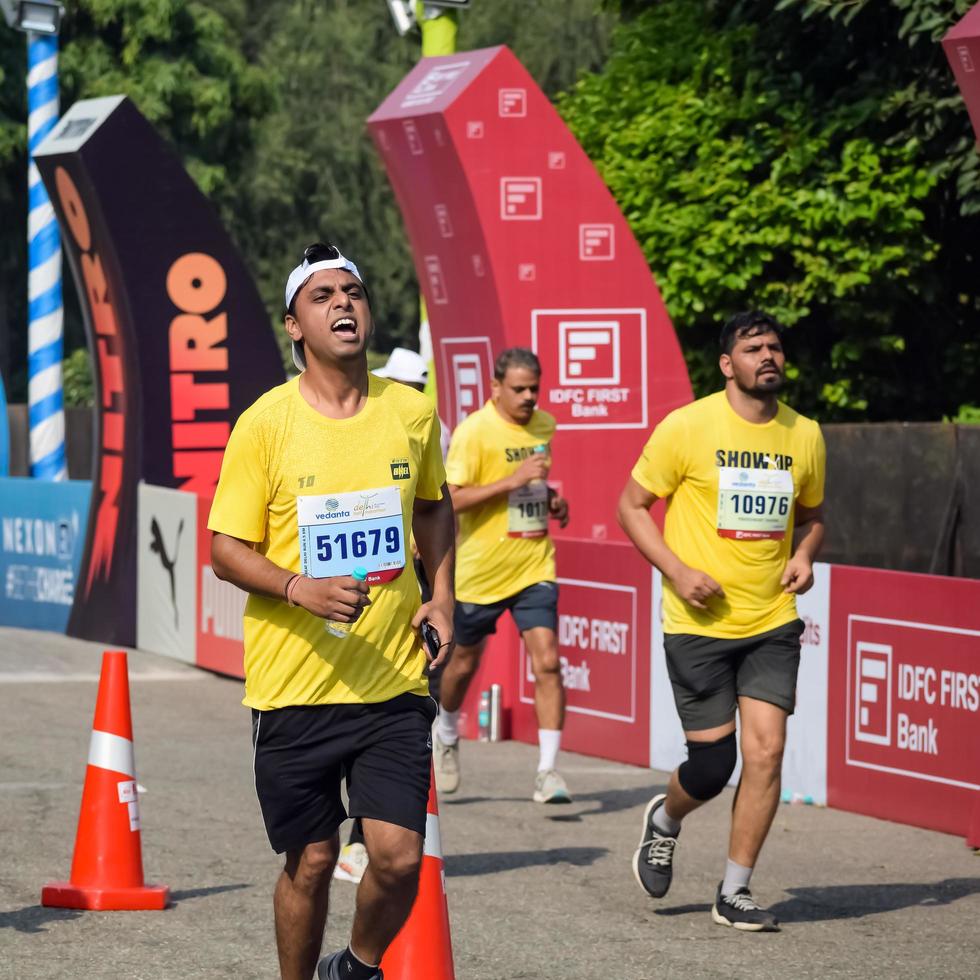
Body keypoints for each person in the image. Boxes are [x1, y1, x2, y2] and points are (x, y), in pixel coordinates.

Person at [208, 242, 455, 980]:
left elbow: (436, 510)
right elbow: (226, 548)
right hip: (295, 686)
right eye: (323, 297)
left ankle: (355, 966)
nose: (344, 304)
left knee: (399, 855)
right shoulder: (266, 424)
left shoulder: (411, 412)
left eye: (353, 292)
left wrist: (441, 593)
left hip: (392, 681)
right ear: (294, 325)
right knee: (311, 861)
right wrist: (298, 588)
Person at [617, 311, 825, 932]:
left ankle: (734, 891)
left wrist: (805, 554)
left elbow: (813, 515)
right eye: (753, 347)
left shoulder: (806, 434)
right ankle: (666, 818)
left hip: (771, 620)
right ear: (726, 364)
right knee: (712, 767)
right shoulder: (688, 426)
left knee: (767, 751)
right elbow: (631, 507)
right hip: (698, 622)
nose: (768, 355)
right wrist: (677, 572)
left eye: (776, 347)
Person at [434, 347, 571, 803]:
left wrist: (550, 501)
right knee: (463, 665)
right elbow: (450, 501)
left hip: (535, 563)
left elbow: (533, 483)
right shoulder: (474, 433)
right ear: (495, 388)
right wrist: (513, 482)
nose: (530, 397)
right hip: (481, 571)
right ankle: (448, 732)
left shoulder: (544, 425)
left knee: (548, 661)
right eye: (519, 389)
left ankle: (548, 770)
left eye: (535, 387)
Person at [334, 346, 450, 887]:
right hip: (341, 591)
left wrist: (439, 588)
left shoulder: (424, 421)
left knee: (412, 698)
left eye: (419, 382)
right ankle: (348, 832)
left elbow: (438, 501)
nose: (413, 389)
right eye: (404, 381)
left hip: (412, 583)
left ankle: (365, 836)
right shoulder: (341, 422)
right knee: (344, 705)